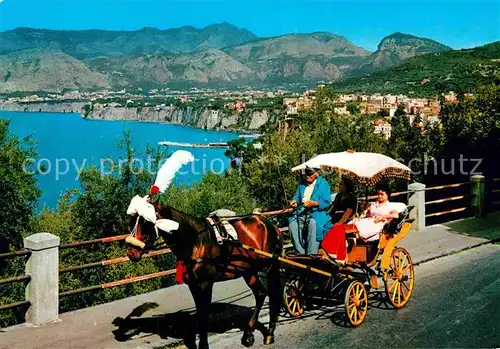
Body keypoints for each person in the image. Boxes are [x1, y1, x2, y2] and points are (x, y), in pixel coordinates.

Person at [321, 182, 399, 262]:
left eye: (382, 194)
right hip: (367, 221)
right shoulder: (374, 204)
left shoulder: (389, 206)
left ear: (387, 195)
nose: (379, 196)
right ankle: (336, 252)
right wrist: (364, 212)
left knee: (350, 229)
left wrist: (383, 217)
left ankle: (340, 254)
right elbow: (366, 213)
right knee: (340, 227)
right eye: (378, 194)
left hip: (377, 225)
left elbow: (396, 215)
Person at [289, 166, 332, 255]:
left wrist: (313, 203)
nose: (307, 176)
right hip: (302, 212)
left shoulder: (324, 184)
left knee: (313, 223)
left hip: (317, 213)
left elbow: (326, 202)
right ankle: (300, 252)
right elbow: (297, 196)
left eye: (310, 174)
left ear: (316, 173)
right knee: (292, 224)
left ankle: (311, 254)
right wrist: (294, 201)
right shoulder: (302, 183)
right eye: (306, 174)